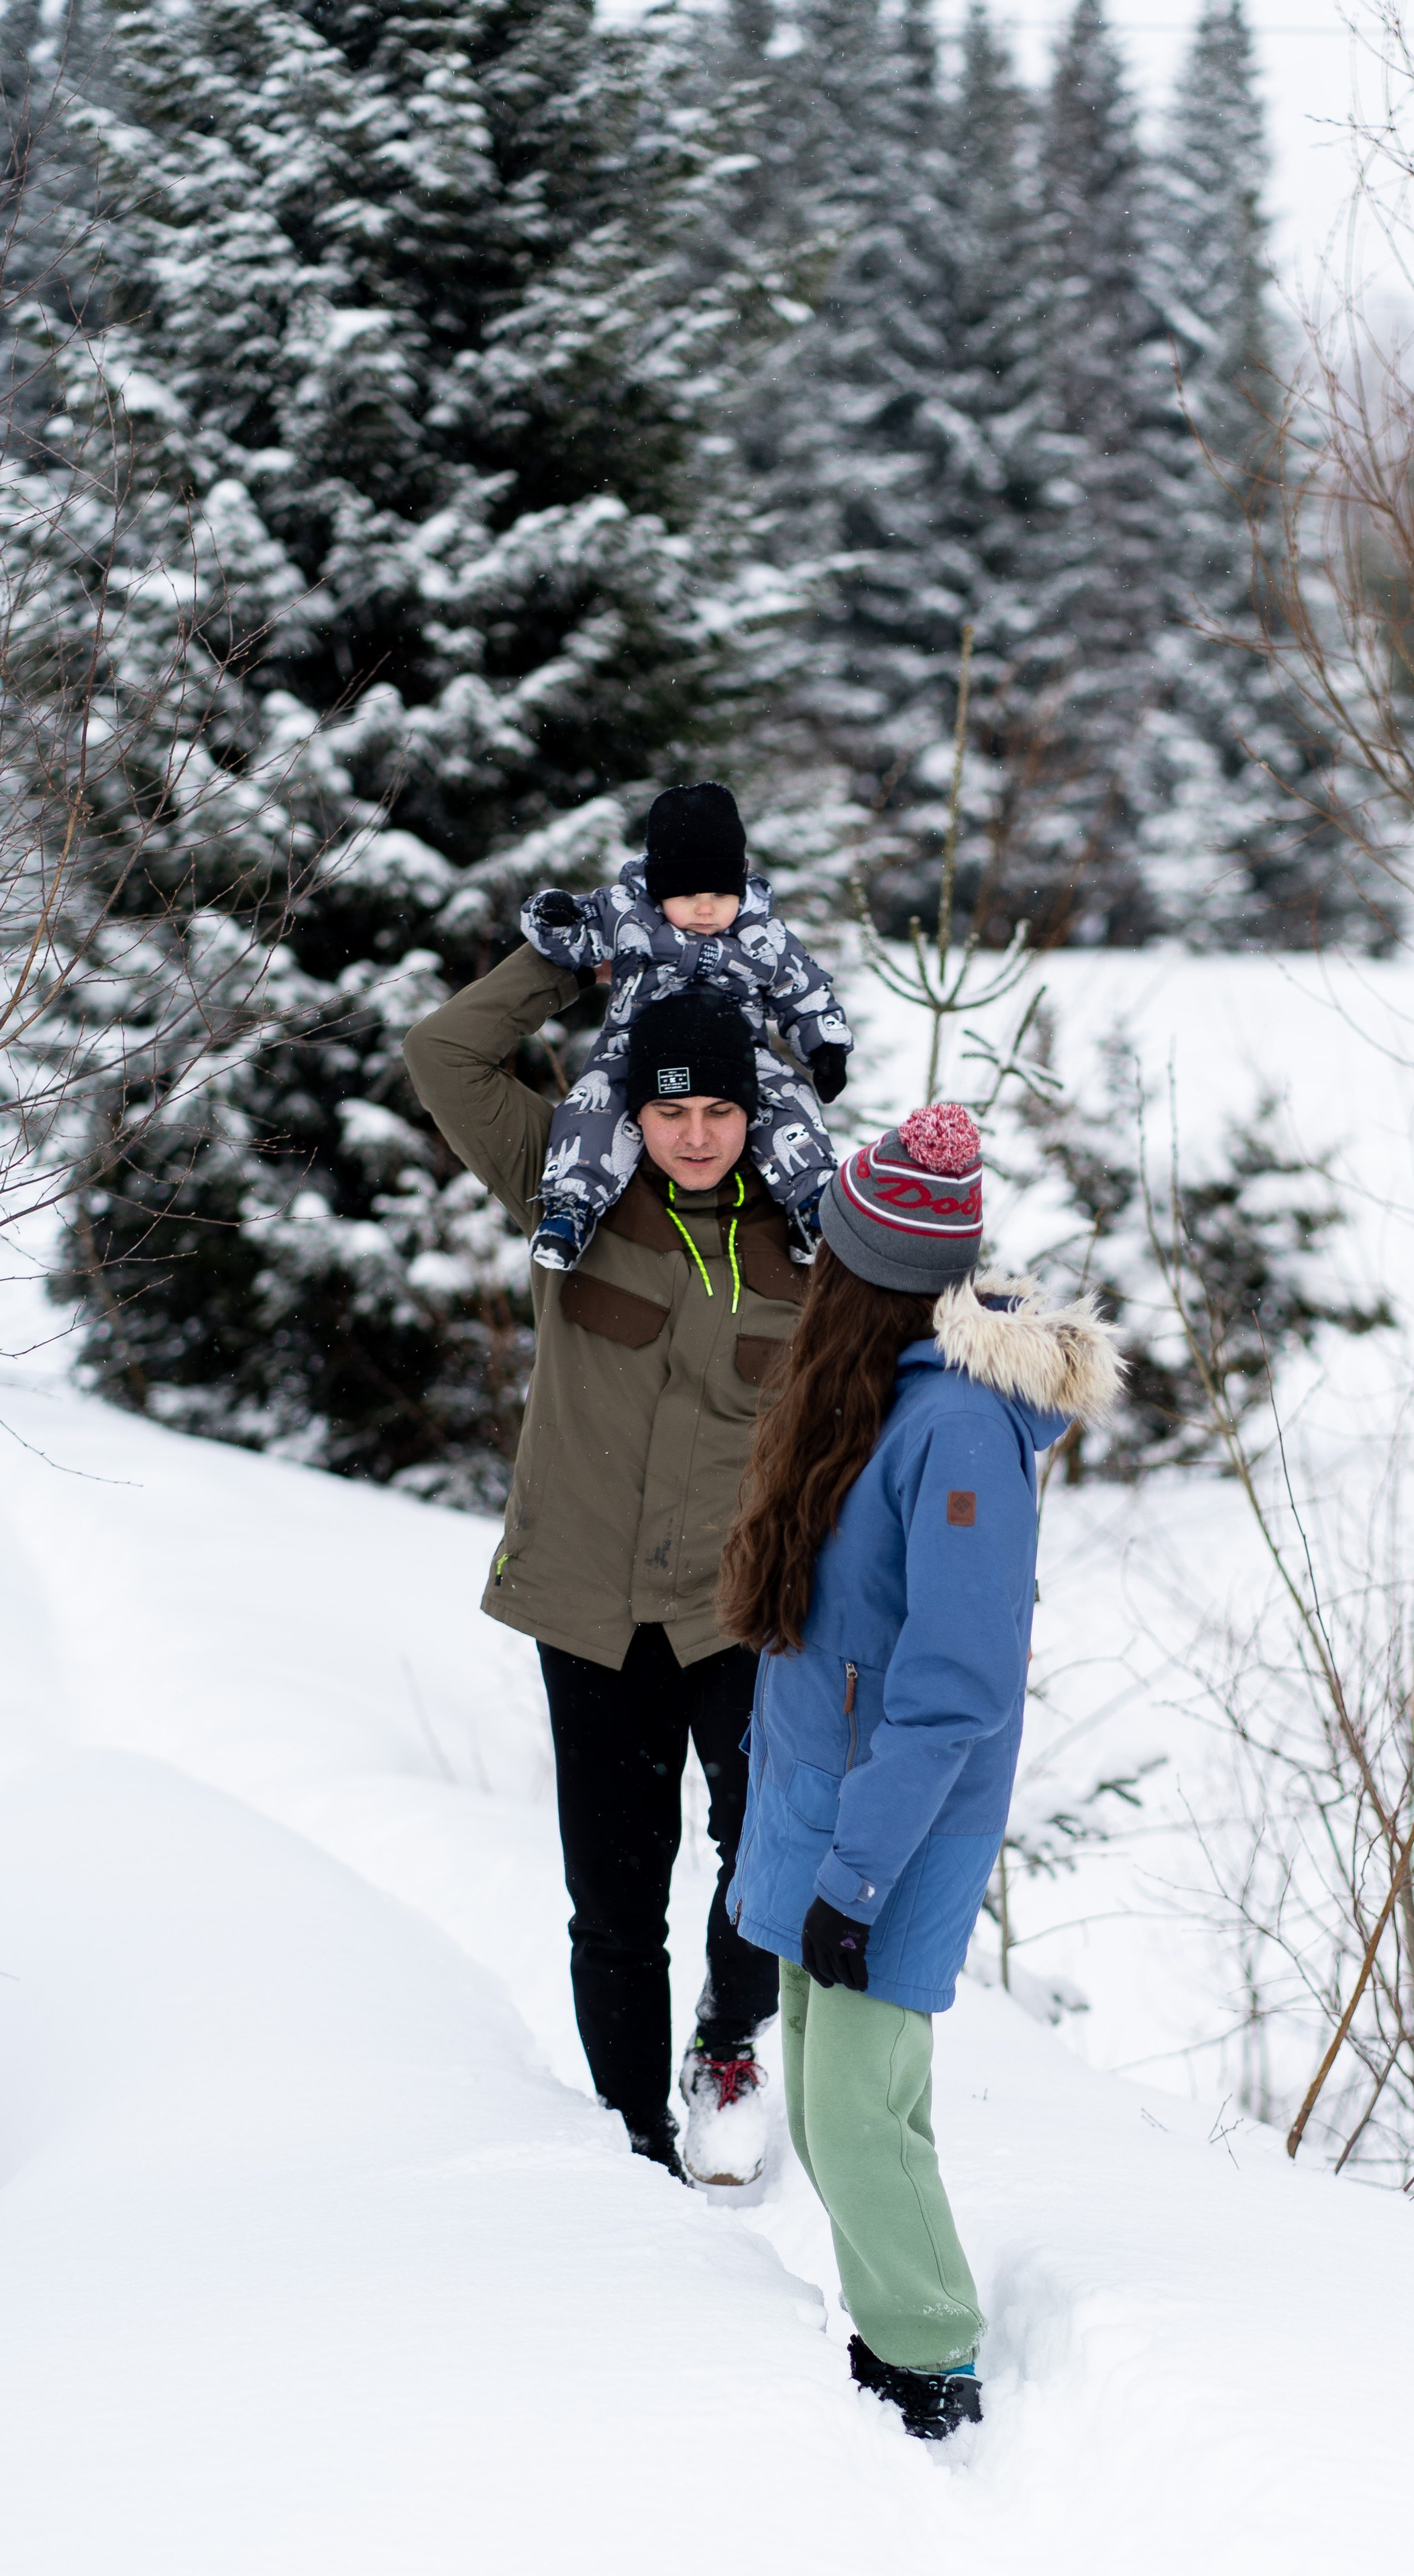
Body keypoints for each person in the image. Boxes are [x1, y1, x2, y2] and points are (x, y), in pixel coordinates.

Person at [718, 1104, 1119, 2438]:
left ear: (868, 1278)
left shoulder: (953, 1433)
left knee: (853, 2111)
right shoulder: (868, 1392)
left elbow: (951, 1690)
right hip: (830, 1807)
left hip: (892, 1827)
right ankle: (895, 2337)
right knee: (835, 2118)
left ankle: (928, 2362)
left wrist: (857, 1874)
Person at [404, 953, 800, 2186]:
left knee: (767, 1847)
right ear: (634, 1113)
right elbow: (444, 1055)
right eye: (670, 1112)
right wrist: (569, 957)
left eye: (719, 1112)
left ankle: (728, 2040)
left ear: (755, 1112)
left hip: (738, 1604)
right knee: (616, 1898)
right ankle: (635, 2138)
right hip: (588, 1603)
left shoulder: (806, 1227)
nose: (694, 1136)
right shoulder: (567, 1181)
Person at [519, 782, 853, 1272]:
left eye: (720, 893)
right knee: (595, 1104)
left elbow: (803, 988)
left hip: (738, 1048)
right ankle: (572, 1205)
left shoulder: (764, 935)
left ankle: (811, 1207)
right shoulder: (627, 916)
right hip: (635, 1043)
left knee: (788, 1101)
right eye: (688, 894)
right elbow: (575, 935)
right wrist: (556, 919)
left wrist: (825, 1047)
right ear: (658, 887)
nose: (704, 909)